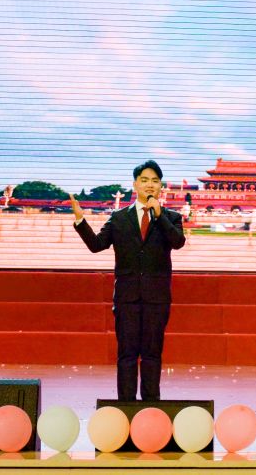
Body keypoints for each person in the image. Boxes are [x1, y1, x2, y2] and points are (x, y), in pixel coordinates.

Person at [71, 160, 186, 401]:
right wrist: (81, 221)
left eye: (155, 181)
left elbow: (178, 242)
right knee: (127, 355)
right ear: (135, 185)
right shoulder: (119, 218)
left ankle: (151, 407)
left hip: (157, 298)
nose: (150, 185)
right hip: (127, 298)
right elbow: (97, 245)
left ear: (161, 186)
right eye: (144, 180)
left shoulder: (172, 217)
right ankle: (126, 407)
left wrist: (159, 215)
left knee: (152, 354)